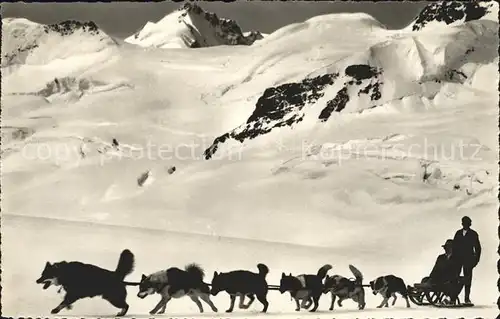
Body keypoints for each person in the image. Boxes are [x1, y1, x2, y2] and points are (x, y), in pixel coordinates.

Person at [452, 216, 481, 304]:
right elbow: (454, 246)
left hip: (468, 260)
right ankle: (453, 298)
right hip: (458, 260)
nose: (465, 225)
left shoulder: (473, 234)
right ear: (462, 224)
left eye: (467, 223)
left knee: (467, 279)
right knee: (455, 278)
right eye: (464, 223)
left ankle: (467, 298)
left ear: (470, 224)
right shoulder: (458, 233)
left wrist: (475, 261)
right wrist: (453, 258)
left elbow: (478, 248)